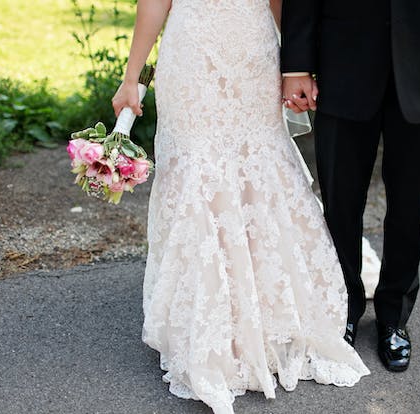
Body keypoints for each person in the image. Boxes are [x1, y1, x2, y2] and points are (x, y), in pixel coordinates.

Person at [111, 1, 369, 413]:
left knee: (257, 163)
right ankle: (212, 318)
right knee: (197, 170)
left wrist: (298, 65)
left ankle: (267, 311)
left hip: (252, 50)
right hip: (192, 51)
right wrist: (132, 76)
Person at [281, 0, 420, 372]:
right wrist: (298, 64)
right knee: (340, 201)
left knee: (411, 205)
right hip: (344, 55)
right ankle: (342, 306)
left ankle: (395, 316)